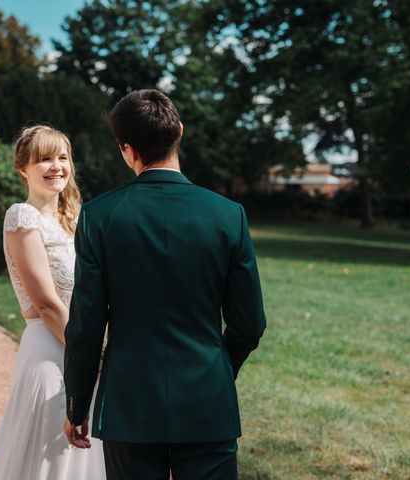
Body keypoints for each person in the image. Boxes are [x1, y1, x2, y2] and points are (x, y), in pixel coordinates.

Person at [63, 90, 267, 479]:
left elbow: (86, 325)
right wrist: (219, 368)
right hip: (209, 402)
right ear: (180, 132)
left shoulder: (97, 217)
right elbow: (250, 324)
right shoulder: (229, 216)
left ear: (128, 150)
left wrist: (77, 405)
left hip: (129, 405)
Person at [0, 125, 105, 480]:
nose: (56, 167)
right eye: (45, 159)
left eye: (63, 157)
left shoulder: (76, 219)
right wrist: (90, 357)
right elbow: (47, 304)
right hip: (53, 353)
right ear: (23, 168)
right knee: (49, 461)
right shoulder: (22, 218)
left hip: (85, 348)